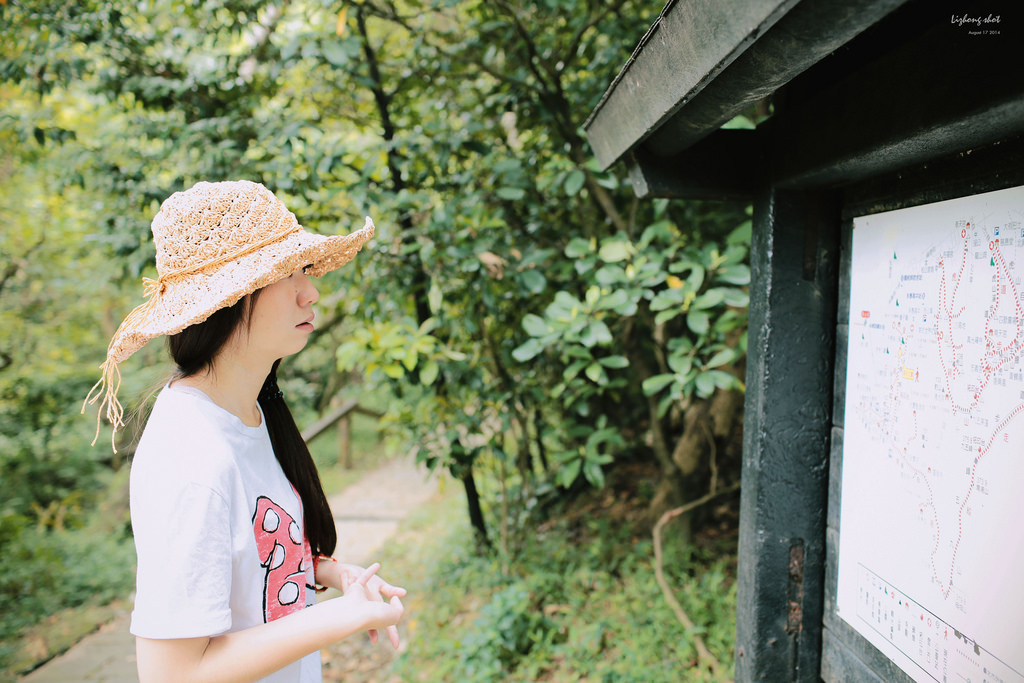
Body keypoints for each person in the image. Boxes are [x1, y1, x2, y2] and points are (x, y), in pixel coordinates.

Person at [84, 180, 405, 683]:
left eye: (303, 269)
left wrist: (330, 573)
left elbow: (250, 554)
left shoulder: (247, 412)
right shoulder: (189, 455)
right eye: (285, 272)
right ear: (228, 299)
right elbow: (174, 674)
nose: (310, 291)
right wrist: (341, 617)